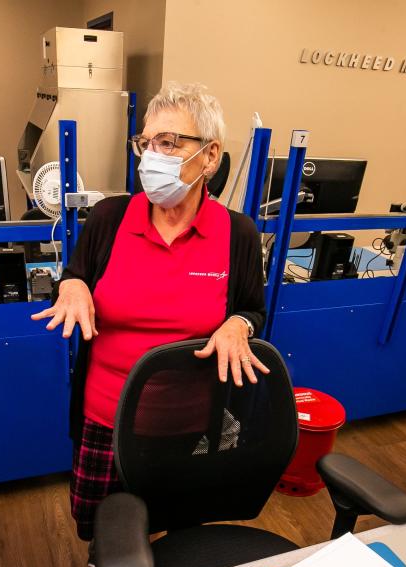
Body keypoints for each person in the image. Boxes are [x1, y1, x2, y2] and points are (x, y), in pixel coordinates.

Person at [32, 82, 270, 541]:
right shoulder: (109, 219)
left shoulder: (236, 234)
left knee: (175, 531)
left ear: (211, 156)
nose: (151, 157)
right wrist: (74, 286)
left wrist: (238, 325)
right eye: (146, 143)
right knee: (106, 536)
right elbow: (76, 275)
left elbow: (253, 311)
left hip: (186, 426)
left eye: (169, 142)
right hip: (104, 420)